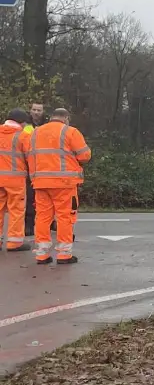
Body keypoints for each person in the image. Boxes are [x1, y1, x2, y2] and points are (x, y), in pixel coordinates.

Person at [29, 108, 90, 265]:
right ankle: (64, 254)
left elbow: (30, 155)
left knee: (42, 216)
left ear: (51, 118)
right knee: (65, 217)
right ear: (66, 118)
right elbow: (85, 155)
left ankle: (41, 254)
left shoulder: (36, 132)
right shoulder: (70, 131)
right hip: (64, 183)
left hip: (40, 182)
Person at [0, 109, 32, 251]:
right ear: (21, 122)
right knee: (16, 210)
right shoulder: (22, 136)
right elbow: (30, 157)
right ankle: (14, 242)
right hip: (15, 179)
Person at [23, 102, 46, 238]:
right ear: (30, 111)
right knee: (30, 198)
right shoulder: (25, 126)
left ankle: (50, 223)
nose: (36, 112)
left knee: (47, 198)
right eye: (34, 109)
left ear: (43, 112)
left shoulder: (47, 125)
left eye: (39, 110)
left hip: (45, 166)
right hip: (29, 167)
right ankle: (28, 225)